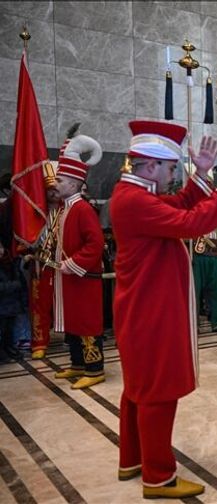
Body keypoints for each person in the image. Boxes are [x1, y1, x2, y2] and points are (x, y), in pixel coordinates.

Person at [110, 120, 217, 499]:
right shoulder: (134, 200)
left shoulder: (134, 194)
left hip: (143, 309)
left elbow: (180, 203)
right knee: (156, 391)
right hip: (149, 312)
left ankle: (132, 459)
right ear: (150, 165)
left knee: (138, 389)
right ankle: (158, 476)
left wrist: (201, 176)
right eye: (172, 168)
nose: (174, 176)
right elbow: (188, 222)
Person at [51, 132, 107, 389]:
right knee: (73, 321)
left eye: (60, 179)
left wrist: (73, 264)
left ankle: (94, 368)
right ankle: (77, 363)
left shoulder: (82, 209)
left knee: (86, 322)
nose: (55, 183)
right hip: (70, 279)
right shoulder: (65, 208)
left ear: (74, 184)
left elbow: (95, 244)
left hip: (84, 278)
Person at [28, 163, 62, 359]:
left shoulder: (70, 210)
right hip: (41, 263)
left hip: (64, 264)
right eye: (50, 190)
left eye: (56, 190)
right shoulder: (35, 212)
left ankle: (72, 338)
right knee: (39, 304)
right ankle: (39, 342)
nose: (53, 194)